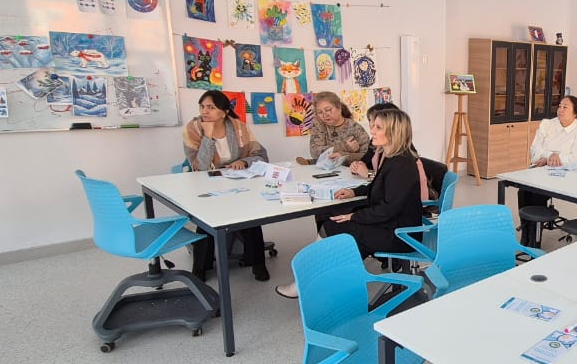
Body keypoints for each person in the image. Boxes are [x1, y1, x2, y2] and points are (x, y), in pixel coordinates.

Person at [276, 106, 422, 299]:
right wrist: (354, 191)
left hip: (401, 234)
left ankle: (304, 284)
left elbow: (388, 209)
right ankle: (323, 282)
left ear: (394, 132)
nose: (372, 130)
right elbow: (378, 187)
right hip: (391, 225)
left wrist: (354, 216)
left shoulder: (401, 165)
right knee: (336, 224)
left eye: (378, 127)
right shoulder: (392, 157)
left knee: (334, 226)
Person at [181, 90, 270, 282]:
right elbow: (200, 167)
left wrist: (244, 161)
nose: (204, 111)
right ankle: (200, 268)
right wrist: (208, 136)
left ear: (224, 112)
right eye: (202, 106)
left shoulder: (239, 127)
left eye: (211, 107)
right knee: (207, 219)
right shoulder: (192, 129)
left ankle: (257, 263)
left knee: (251, 216)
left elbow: (261, 155)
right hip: (205, 184)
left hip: (238, 181)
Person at [517, 95, 577, 212]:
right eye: (559, 106)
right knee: (525, 191)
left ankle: (538, 221)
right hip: (541, 170)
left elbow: (576, 160)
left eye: (565, 107)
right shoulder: (547, 124)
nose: (560, 110)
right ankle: (531, 223)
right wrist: (552, 156)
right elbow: (534, 150)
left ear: (575, 113)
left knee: (536, 192)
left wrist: (547, 159)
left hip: (566, 176)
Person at [295, 91, 369, 167]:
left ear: (339, 108)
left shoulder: (355, 128)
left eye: (328, 110)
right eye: (320, 112)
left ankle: (310, 162)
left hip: (349, 170)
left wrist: (344, 156)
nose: (324, 115)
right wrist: (345, 147)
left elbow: (368, 157)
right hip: (325, 169)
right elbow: (314, 152)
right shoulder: (319, 125)